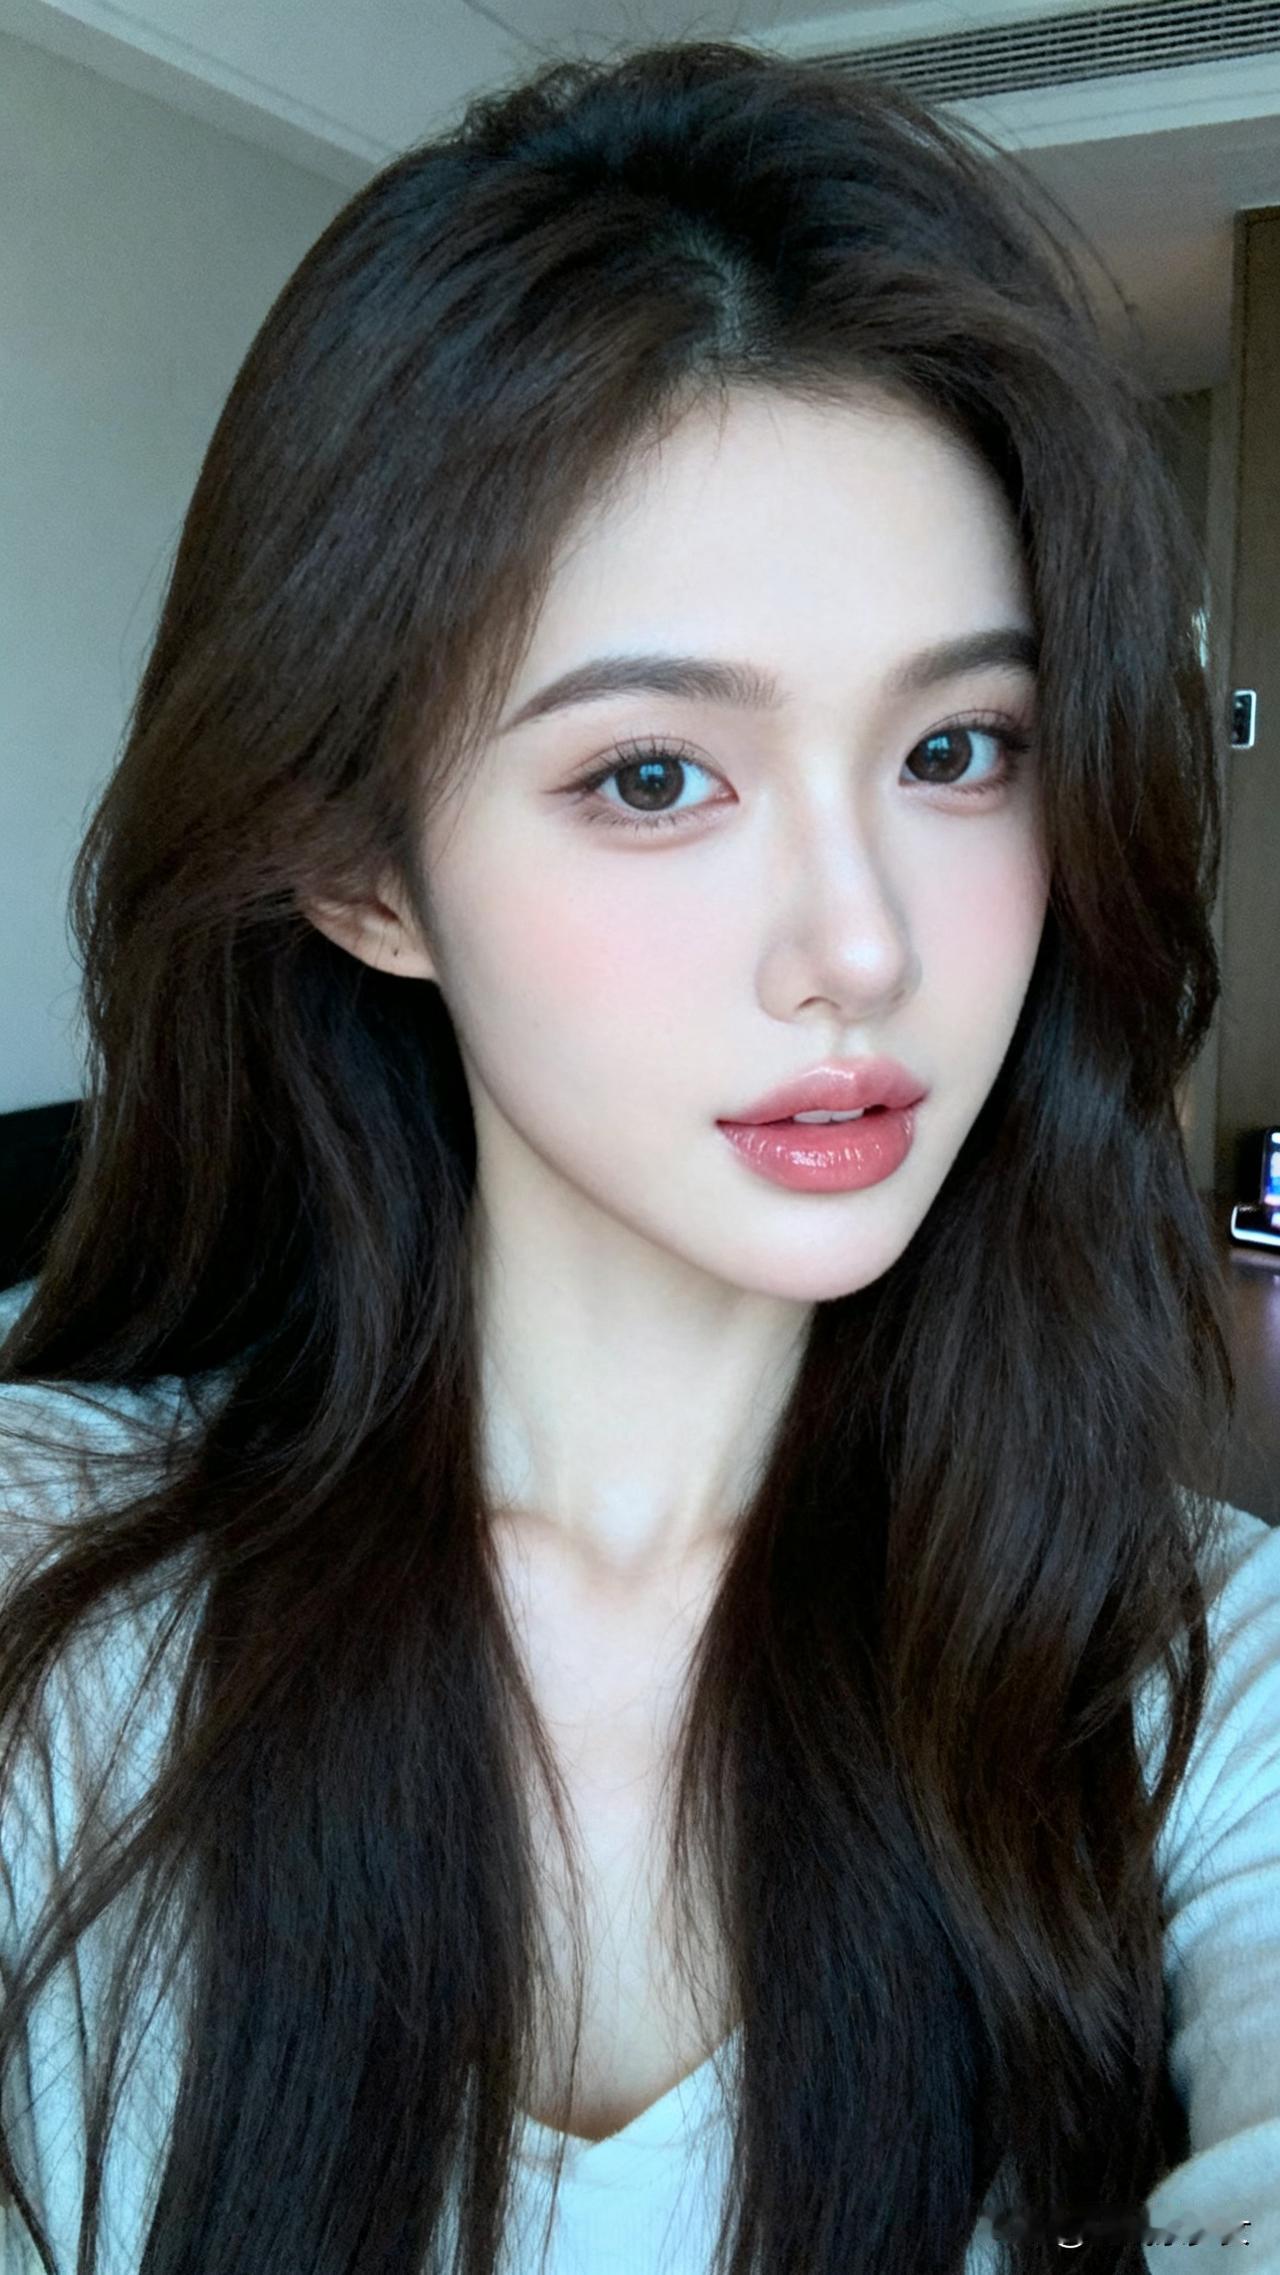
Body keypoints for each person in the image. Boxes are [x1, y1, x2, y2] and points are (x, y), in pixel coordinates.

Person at [1, 35, 1277, 2275]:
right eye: (655, 776)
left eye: (959, 747)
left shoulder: (1198, 1675)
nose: (862, 946)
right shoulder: (44, 1591)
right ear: (362, 871)